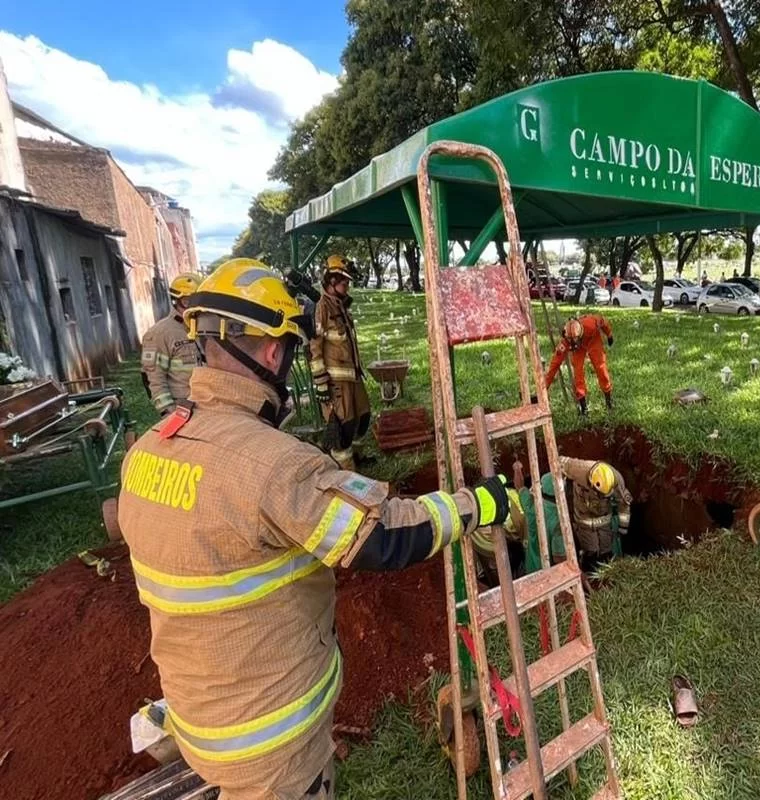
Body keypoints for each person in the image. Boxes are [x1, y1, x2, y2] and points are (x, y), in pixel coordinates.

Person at [118, 258, 510, 800]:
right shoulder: (273, 466)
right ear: (275, 352)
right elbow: (382, 537)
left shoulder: (146, 451)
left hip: (201, 724)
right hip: (274, 750)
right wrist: (475, 506)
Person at [309, 255, 372, 470]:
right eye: (344, 283)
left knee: (363, 418)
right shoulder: (322, 308)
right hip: (336, 381)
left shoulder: (341, 306)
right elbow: (315, 346)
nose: (347, 287)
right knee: (343, 429)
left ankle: (357, 459)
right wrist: (321, 384)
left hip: (353, 376)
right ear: (331, 282)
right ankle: (347, 472)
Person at [141, 272, 204, 415]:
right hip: (182, 408)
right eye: (187, 301)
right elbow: (153, 379)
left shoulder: (204, 328)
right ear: (176, 300)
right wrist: (168, 413)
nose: (193, 307)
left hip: (208, 407)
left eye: (197, 301)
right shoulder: (159, 334)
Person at [560, 456, 630, 570]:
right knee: (591, 552)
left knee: (606, 552)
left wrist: (622, 528)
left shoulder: (617, 481)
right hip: (584, 520)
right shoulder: (579, 469)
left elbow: (624, 504)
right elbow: (558, 462)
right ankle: (588, 571)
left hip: (604, 521)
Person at [545, 314, 615, 416]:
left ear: (579, 335)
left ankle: (609, 401)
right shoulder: (566, 341)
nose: (571, 343)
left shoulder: (591, 324)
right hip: (579, 349)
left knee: (601, 368)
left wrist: (609, 335)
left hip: (592, 340)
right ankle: (584, 408)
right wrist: (545, 386)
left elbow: (603, 321)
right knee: (578, 372)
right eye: (569, 341)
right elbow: (554, 364)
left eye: (573, 341)